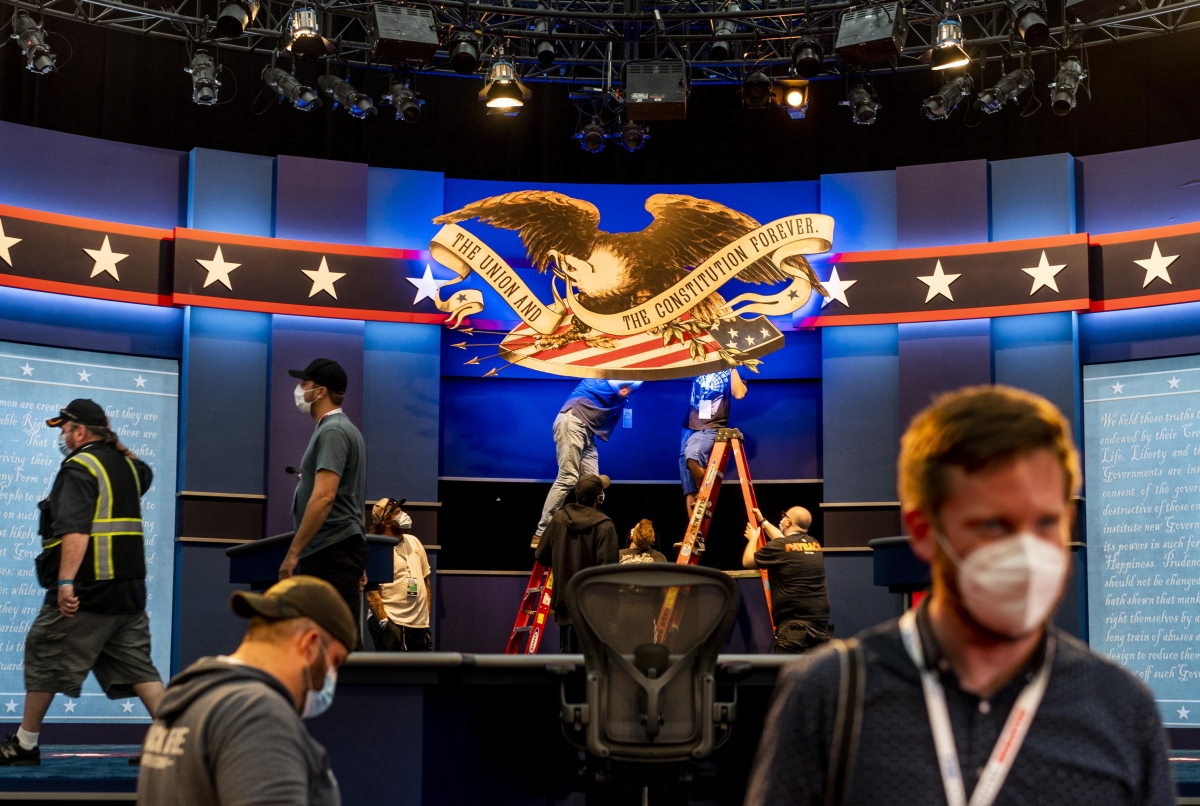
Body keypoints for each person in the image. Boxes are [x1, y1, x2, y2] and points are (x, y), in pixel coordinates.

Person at [746, 386, 1174, 806]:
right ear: (923, 531)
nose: (1026, 553)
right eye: (993, 525)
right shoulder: (831, 696)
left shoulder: (1120, 707)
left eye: (1046, 522)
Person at [1, 399, 163, 766]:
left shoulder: (79, 467)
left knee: (43, 650)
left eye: (64, 429)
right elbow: (145, 473)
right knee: (138, 667)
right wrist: (116, 442)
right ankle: (179, 745)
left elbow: (75, 528)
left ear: (80, 432)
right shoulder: (127, 466)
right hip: (129, 590)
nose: (61, 436)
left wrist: (65, 582)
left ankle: (25, 745)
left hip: (90, 588)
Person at [136, 576, 355, 805]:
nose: (332, 675)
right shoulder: (259, 715)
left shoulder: (187, 701)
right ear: (310, 645)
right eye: (335, 661)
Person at [279, 357, 368, 650]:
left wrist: (293, 553)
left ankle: (350, 698)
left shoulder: (332, 431)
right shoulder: (339, 430)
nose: (299, 388)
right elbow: (351, 499)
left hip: (330, 553)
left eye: (304, 383)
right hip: (339, 550)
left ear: (320, 391)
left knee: (336, 648)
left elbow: (325, 496)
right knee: (332, 644)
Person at [533, 379, 641, 548]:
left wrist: (628, 388)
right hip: (573, 421)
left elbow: (636, 382)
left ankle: (581, 531)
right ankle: (542, 533)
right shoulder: (606, 372)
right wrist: (622, 388)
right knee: (568, 477)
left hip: (587, 432)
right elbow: (616, 379)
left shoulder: (625, 379)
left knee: (592, 485)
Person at [534, 474, 619, 652]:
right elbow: (608, 572)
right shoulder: (605, 525)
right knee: (591, 666)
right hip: (594, 610)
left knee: (568, 664)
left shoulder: (559, 519)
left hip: (566, 603)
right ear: (599, 497)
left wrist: (560, 560)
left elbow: (541, 555)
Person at [742, 505, 831, 654]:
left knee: (786, 673)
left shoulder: (781, 546)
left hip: (794, 627)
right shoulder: (814, 544)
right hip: (820, 624)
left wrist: (753, 539)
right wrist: (763, 522)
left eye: (784, 516)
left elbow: (747, 561)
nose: (782, 519)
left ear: (788, 522)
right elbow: (785, 542)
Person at [365, 498, 433, 652]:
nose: (404, 514)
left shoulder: (414, 541)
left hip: (419, 625)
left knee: (425, 674)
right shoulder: (377, 548)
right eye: (397, 512)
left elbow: (426, 580)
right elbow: (371, 592)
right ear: (387, 523)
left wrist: (425, 613)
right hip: (393, 621)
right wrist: (384, 623)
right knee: (394, 675)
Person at [680, 369, 747, 513]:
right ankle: (694, 534)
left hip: (709, 426)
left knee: (692, 458)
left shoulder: (732, 365)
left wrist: (732, 365)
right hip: (688, 426)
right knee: (689, 488)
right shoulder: (702, 358)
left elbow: (739, 393)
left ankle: (705, 496)